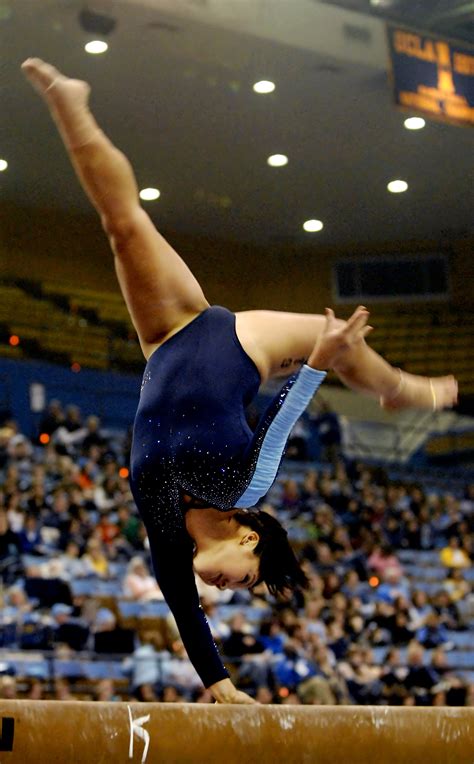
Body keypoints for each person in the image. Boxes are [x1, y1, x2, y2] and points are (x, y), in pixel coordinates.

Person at [22, 58, 458, 704]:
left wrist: (223, 688)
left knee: (121, 224)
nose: (235, 592)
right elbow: (282, 419)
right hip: (238, 344)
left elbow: (183, 610)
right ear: (250, 538)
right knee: (338, 341)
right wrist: (318, 360)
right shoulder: (241, 484)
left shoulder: (165, 530)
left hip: (166, 340)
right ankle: (398, 388)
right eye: (251, 579)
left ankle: (70, 103)